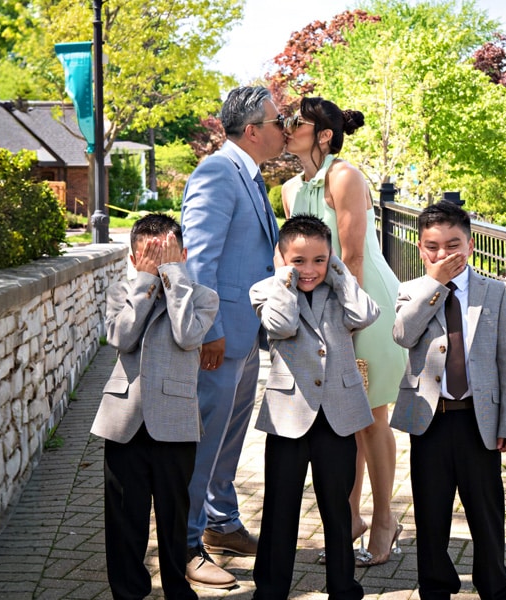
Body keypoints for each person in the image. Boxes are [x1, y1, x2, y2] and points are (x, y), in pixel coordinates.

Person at [281, 97, 407, 566]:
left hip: (363, 308)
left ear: (324, 135)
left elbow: (352, 257)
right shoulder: (291, 188)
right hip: (320, 314)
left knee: (371, 417)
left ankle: (385, 521)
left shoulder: (345, 176)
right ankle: (348, 518)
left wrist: (344, 326)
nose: (286, 128)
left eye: (297, 122)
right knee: (343, 419)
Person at [390, 201, 506, 600]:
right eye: (432, 247)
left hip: (477, 420)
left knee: (486, 512)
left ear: (470, 245)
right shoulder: (412, 291)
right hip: (430, 420)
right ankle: (435, 586)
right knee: (431, 512)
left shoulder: (495, 293)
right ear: (420, 249)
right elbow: (402, 334)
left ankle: (495, 585)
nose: (443, 254)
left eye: (453, 245)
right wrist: (433, 285)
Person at [180, 86, 285, 589]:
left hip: (246, 336)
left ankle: (221, 524)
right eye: (277, 120)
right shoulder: (217, 173)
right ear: (252, 130)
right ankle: (186, 543)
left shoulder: (249, 174)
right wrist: (210, 331)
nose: (284, 127)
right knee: (203, 441)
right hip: (220, 339)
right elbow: (198, 259)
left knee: (229, 438)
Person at [250, 214, 380, 600]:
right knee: (280, 506)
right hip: (289, 414)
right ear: (282, 257)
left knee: (337, 507)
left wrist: (339, 272)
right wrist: (284, 282)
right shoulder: (265, 290)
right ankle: (271, 589)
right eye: (299, 261)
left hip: (338, 414)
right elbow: (283, 326)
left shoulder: (341, 288)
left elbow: (365, 315)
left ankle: (343, 586)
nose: (310, 269)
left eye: (319, 260)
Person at [90, 213, 219, 600]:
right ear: (133, 258)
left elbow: (186, 334)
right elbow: (122, 338)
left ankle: (178, 589)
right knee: (124, 517)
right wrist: (146, 283)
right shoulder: (121, 293)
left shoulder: (202, 297)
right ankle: (128, 592)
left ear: (183, 254)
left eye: (167, 254)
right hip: (125, 420)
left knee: (173, 516)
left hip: (176, 422)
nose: (159, 262)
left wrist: (174, 277)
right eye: (150, 255)